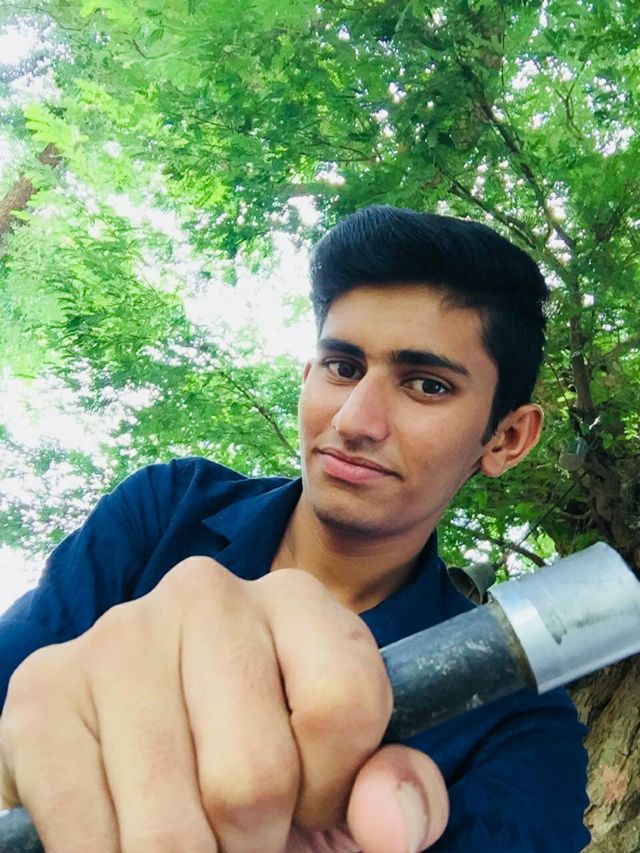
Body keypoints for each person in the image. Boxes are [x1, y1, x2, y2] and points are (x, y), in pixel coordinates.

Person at [0, 206, 590, 852]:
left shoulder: (519, 712)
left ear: (507, 438)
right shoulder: (167, 508)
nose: (355, 420)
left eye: (426, 384)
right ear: (308, 377)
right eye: (343, 367)